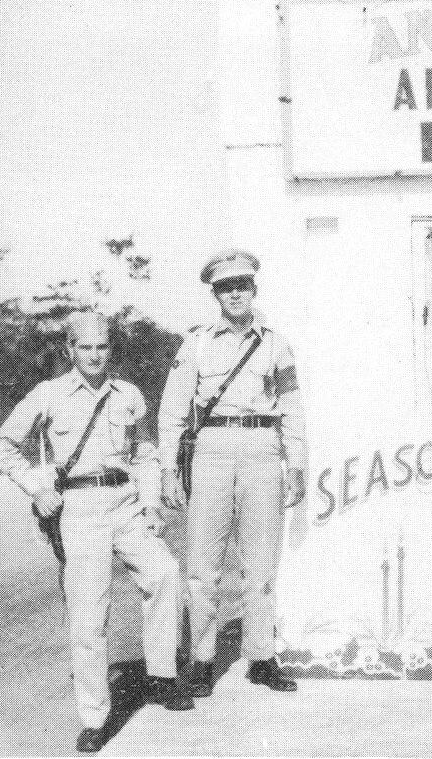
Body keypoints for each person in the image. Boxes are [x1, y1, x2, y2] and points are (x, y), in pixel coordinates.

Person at [0, 312, 193, 754]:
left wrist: (152, 503)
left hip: (125, 504)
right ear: (70, 350)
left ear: (110, 349)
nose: (95, 355)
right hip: (78, 510)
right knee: (89, 612)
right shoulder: (49, 394)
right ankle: (95, 716)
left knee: (164, 574)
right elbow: (3, 447)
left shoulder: (129, 395)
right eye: (85, 347)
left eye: (102, 346)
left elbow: (142, 454)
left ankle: (161, 675)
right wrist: (38, 487)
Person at [159, 250, 307, 697]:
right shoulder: (197, 344)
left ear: (254, 289)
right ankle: (202, 660)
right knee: (203, 564)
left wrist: (296, 463)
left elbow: (292, 408)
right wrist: (168, 470)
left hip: (264, 450)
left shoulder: (276, 343)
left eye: (242, 284)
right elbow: (172, 414)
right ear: (215, 294)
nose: (235, 293)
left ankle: (261, 656)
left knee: (260, 562)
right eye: (226, 287)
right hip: (212, 451)